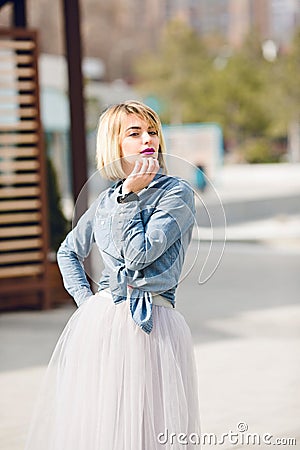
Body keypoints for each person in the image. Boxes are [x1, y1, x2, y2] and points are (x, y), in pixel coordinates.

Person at [24, 101, 201, 450]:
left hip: (153, 322)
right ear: (114, 144)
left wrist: (130, 199)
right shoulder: (106, 200)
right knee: (106, 427)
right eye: (134, 133)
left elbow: (140, 254)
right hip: (103, 322)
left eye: (152, 131)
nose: (147, 139)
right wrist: (88, 303)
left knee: (151, 428)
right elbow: (68, 251)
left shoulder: (176, 193)